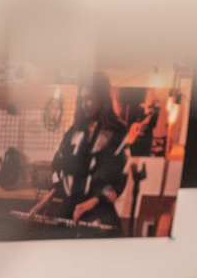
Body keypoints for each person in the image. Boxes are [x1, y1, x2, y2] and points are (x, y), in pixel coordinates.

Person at [28, 71, 136, 234]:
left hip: (99, 214)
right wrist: (45, 200)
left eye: (90, 99)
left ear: (102, 99)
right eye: (82, 99)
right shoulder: (74, 131)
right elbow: (59, 164)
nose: (85, 104)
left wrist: (92, 202)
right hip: (69, 211)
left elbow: (119, 178)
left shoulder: (117, 131)